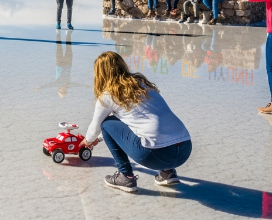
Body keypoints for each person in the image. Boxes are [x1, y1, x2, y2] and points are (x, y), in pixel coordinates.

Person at [79, 51, 192, 194]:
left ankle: (125, 176)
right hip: (184, 149)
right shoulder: (142, 85)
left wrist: (88, 141)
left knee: (106, 123)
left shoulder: (107, 96)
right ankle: (167, 172)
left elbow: (96, 127)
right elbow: (134, 122)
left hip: (155, 155)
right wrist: (99, 139)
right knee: (150, 127)